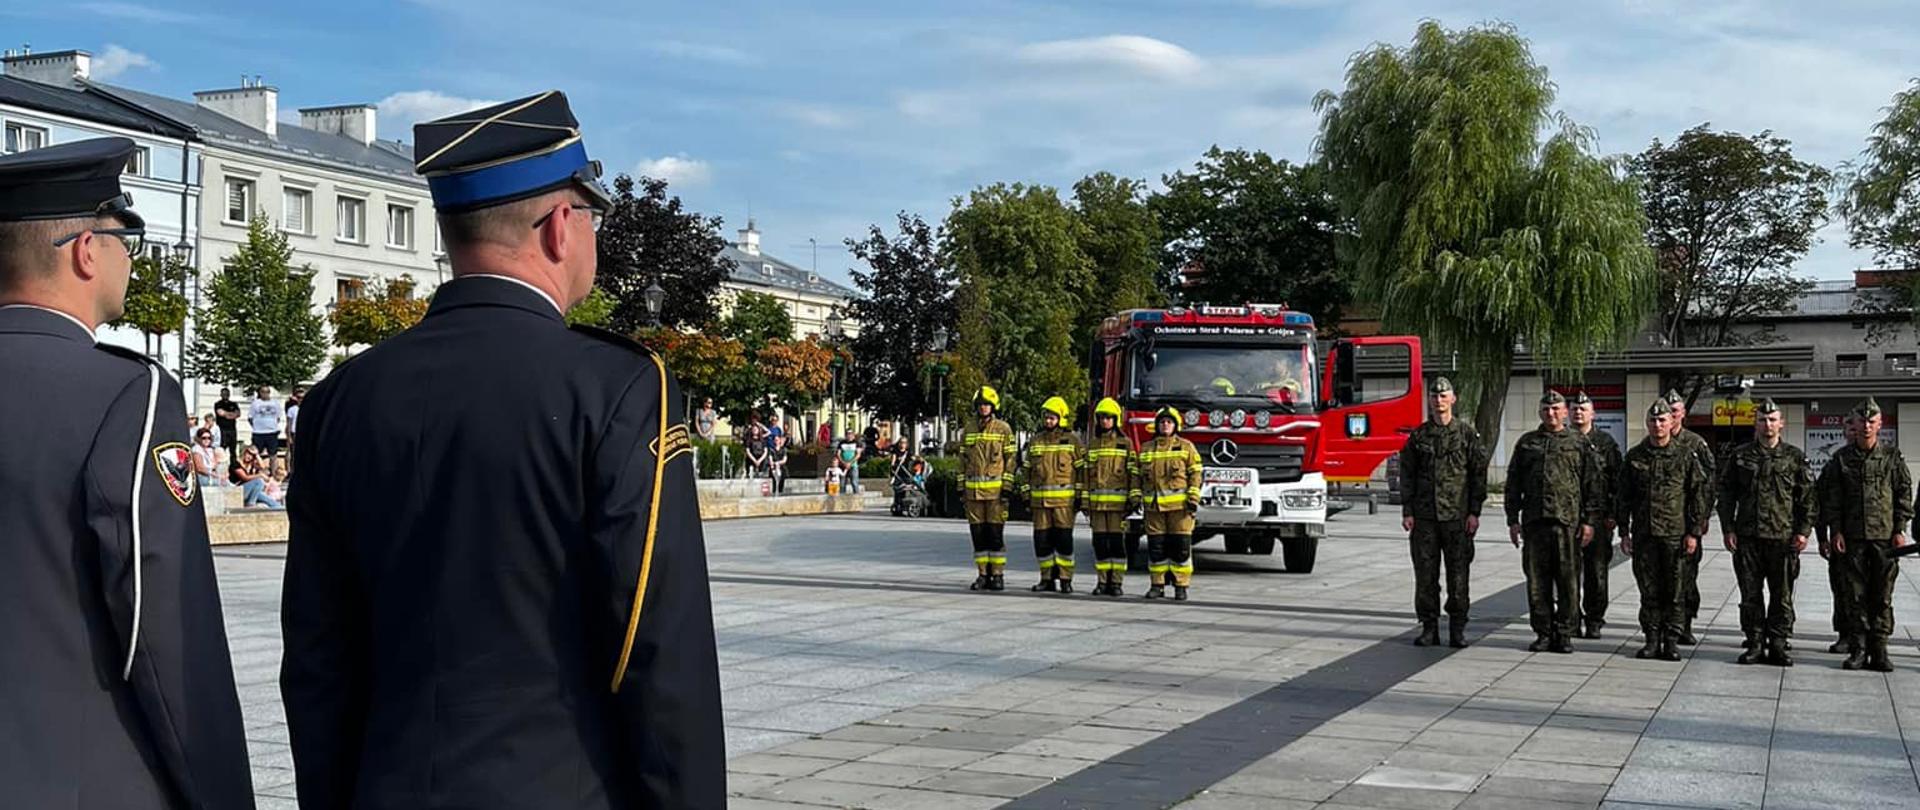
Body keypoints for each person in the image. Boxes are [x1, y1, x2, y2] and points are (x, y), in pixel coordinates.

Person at [280, 91, 724, 808]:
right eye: (592, 216)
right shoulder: (616, 388)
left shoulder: (340, 398)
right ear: (561, 227)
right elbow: (658, 649)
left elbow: (317, 657)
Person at [0, 137, 252, 806]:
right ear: (86, 250)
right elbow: (159, 625)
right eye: (124, 241)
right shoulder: (125, 393)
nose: (129, 260)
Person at [1816, 397, 1914, 672]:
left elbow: (1903, 494)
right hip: (1853, 538)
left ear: (1880, 424)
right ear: (1854, 424)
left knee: (1882, 595)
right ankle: (1858, 648)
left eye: (1872, 421)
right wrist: (1835, 531)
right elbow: (1832, 500)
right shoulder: (1841, 459)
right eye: (1862, 421)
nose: (1867, 426)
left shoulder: (1892, 458)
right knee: (1855, 595)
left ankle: (1879, 649)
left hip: (1884, 539)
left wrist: (1900, 528)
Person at [1718, 398, 1815, 666]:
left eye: (1772, 420)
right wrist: (1728, 528)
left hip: (1783, 538)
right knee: (1750, 594)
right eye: (1762, 420)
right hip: (1748, 537)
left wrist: (1803, 531)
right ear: (1755, 423)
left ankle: (1779, 643)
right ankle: (1756, 642)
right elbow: (1726, 494)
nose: (1767, 424)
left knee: (1781, 595)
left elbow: (1807, 498)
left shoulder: (1795, 457)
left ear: (1781, 423)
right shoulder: (1740, 456)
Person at [1505, 390, 1601, 654]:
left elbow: (1591, 484)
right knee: (1537, 582)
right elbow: (1514, 483)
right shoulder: (1527, 443)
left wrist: (1589, 521)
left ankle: (1565, 632)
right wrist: (1512, 519)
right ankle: (1544, 632)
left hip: (1567, 523)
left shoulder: (1579, 442)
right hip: (1535, 522)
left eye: (1556, 409)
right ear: (1540, 412)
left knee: (1568, 580)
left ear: (1565, 412)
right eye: (1546, 409)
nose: (1551, 413)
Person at [1398, 377, 1488, 648]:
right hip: (1425, 518)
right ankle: (1429, 627)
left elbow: (1478, 475)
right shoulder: (1419, 436)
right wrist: (1407, 510)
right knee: (1426, 576)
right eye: (1434, 396)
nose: (1439, 401)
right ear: (1429, 400)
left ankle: (1457, 628)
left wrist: (1474, 511)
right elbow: (1407, 474)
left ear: (1453, 399)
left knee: (1458, 577)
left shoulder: (1467, 435)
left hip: (1457, 518)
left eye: (1444, 396)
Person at [1616, 402, 1710, 662]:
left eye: (1662, 421)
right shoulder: (1635, 456)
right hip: (1645, 535)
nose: (1657, 425)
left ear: (1671, 423)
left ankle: (1671, 641)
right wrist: (1623, 531)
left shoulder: (1686, 455)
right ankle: (1651, 639)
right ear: (1647, 424)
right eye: (1653, 421)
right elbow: (1623, 496)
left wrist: (1693, 532)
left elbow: (1698, 495)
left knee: (1675, 591)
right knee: (1649, 590)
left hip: (1675, 535)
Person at [1663, 389, 1717, 645]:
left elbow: (1708, 484)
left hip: (1687, 523)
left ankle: (1684, 623)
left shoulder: (1695, 444)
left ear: (1683, 414)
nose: (1671, 416)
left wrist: (1702, 518)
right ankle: (1663, 625)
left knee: (1686, 576)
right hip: (1661, 524)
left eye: (1675, 411)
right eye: (1668, 412)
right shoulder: (1654, 441)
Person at [1570, 391, 1624, 639]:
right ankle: (1571, 618)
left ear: (1593, 414)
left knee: (1596, 573)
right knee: (1567, 573)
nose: (1578, 413)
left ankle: (1594, 619)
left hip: (1599, 519)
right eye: (1574, 409)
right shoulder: (1562, 440)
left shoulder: (1606, 443)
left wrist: (1614, 514)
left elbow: (1617, 482)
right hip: (1567, 518)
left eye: (1583, 409)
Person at [1021, 396, 1085, 593]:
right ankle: (1046, 578)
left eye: (1052, 418)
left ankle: (1066, 579)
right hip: (1040, 504)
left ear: (1061, 418)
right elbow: (1026, 470)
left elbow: (1081, 471)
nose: (1048, 421)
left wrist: (1080, 496)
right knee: (1042, 542)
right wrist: (1025, 494)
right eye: (1046, 417)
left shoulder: (1073, 441)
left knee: (1064, 542)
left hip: (1064, 504)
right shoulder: (1035, 441)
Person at [1138, 406, 1202, 601]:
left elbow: (1196, 474)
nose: (1165, 425)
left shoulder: (1186, 447)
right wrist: (1136, 498)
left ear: (1176, 425)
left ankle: (1180, 585)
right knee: (1156, 548)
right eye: (1162, 422)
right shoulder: (1146, 448)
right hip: (1154, 508)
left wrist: (1193, 498)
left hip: (1180, 509)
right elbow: (1137, 477)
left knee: (1180, 548)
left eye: (1169, 422)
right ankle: (1157, 585)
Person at [962, 386, 1016, 590]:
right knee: (978, 536)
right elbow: (962, 460)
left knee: (995, 535)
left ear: (993, 407)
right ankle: (983, 575)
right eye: (980, 405)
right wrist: (960, 485)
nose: (983, 408)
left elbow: (1011, 459)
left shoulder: (1003, 429)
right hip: (973, 494)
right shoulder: (968, 429)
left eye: (987, 404)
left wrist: (1008, 485)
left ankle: (998, 575)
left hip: (996, 494)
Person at [1084, 397, 1140, 597]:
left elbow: (1133, 473)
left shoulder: (1126, 444)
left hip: (1118, 508)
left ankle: (1116, 582)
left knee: (1117, 545)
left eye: (1108, 418)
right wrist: (1084, 502)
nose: (1105, 421)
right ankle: (1102, 582)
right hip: (1098, 507)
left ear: (1115, 419)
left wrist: (1134, 498)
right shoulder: (1093, 445)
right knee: (1100, 544)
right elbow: (1086, 475)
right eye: (1101, 418)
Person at [248, 384, 284, 474]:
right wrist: (257, 426)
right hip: (258, 433)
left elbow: (278, 417)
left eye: (267, 392)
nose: (265, 394)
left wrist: (271, 425)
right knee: (256, 454)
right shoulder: (255, 403)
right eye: (263, 392)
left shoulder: (275, 403)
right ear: (260, 393)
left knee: (273, 455)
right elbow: (250, 418)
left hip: (272, 432)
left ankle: (274, 474)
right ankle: (256, 473)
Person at [214, 385, 241, 460]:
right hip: (222, 430)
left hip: (232, 429)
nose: (225, 395)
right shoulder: (218, 404)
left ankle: (233, 464)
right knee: (222, 448)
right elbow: (220, 413)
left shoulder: (233, 404)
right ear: (221, 395)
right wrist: (231, 414)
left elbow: (238, 414)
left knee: (233, 449)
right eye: (224, 394)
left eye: (227, 394)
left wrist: (227, 414)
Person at [284, 384, 305, 473]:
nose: (301, 400)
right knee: (293, 453)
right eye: (299, 398)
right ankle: (292, 471)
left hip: (304, 433)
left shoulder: (308, 408)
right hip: (294, 433)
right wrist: (289, 436)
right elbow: (288, 423)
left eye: (302, 398)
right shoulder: (292, 409)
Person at [838, 429, 865, 494]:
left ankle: (856, 497)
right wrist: (843, 462)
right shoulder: (841, 443)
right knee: (842, 484)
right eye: (848, 434)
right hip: (843, 466)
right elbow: (838, 454)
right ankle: (842, 497)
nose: (849, 436)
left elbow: (858, 455)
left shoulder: (857, 443)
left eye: (851, 434)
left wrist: (850, 463)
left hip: (853, 465)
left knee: (854, 482)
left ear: (853, 435)